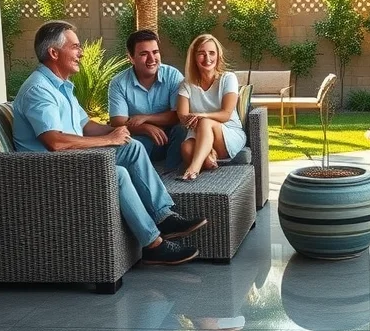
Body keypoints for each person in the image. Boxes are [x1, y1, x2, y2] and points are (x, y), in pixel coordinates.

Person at [13, 20, 207, 265]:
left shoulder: (61, 86)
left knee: (133, 147)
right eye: (75, 47)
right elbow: (54, 142)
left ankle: (164, 216)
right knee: (117, 174)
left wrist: (120, 132)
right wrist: (108, 138)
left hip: (73, 158)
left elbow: (85, 126)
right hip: (50, 169)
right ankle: (153, 245)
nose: (81, 53)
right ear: (54, 53)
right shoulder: (39, 90)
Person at [108, 30, 186, 170]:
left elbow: (178, 116)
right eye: (144, 54)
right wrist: (145, 128)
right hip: (142, 138)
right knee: (133, 143)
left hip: (171, 136)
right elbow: (118, 122)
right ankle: (146, 173)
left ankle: (171, 173)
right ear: (131, 58)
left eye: (155, 52)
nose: (152, 59)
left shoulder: (173, 76)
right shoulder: (118, 83)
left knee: (182, 131)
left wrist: (144, 118)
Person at [176, 34, 247, 181]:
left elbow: (226, 114)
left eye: (211, 53)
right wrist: (198, 119)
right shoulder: (186, 84)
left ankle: (193, 168)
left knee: (206, 122)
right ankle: (208, 156)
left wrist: (202, 116)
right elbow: (183, 116)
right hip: (197, 134)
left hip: (228, 133)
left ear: (218, 56)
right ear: (194, 57)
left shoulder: (228, 78)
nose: (207, 58)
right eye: (201, 54)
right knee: (185, 148)